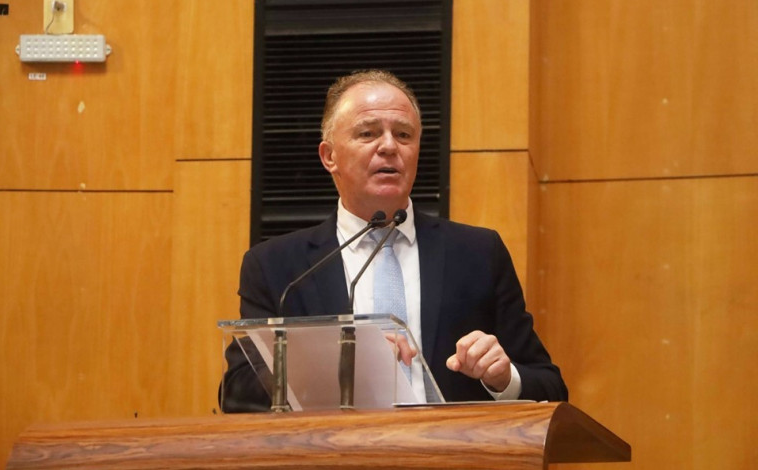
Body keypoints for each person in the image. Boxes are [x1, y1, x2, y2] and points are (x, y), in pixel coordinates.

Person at [221, 70, 567, 412]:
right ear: (329, 156)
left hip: (452, 445)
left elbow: (550, 386)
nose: (389, 146)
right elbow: (237, 392)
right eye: (368, 133)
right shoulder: (277, 267)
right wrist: (336, 366)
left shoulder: (477, 253)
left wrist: (504, 378)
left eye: (403, 135)